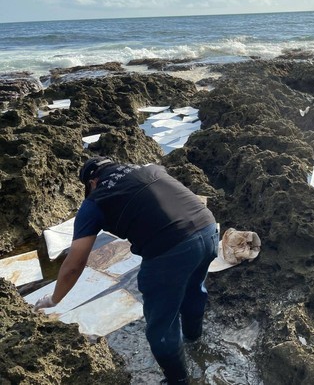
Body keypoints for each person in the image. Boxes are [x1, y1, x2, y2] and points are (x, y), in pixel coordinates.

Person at [34, 156, 218, 385]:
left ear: (92, 182)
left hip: (171, 250)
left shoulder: (96, 201)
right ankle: (194, 339)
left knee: (161, 325)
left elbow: (73, 265)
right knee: (193, 289)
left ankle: (178, 381)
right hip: (208, 229)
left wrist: (54, 298)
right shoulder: (150, 168)